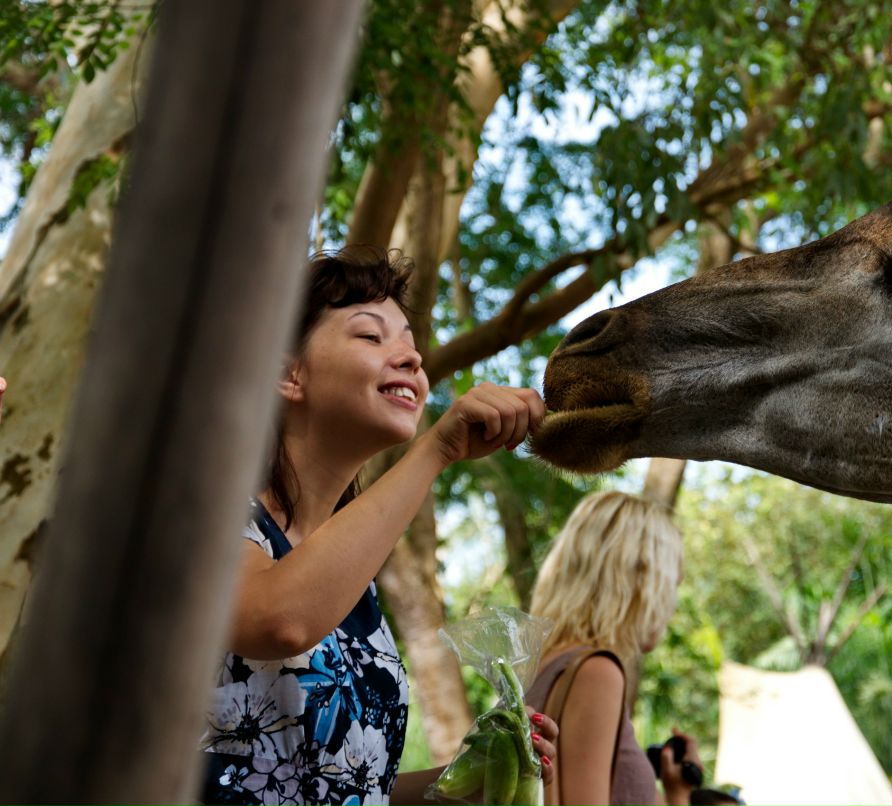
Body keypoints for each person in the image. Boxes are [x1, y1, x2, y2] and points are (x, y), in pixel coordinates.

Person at [198, 248, 557, 805]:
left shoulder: (354, 586)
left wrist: (468, 779)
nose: (411, 360)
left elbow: (359, 790)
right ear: (286, 373)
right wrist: (438, 448)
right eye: (372, 337)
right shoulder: (206, 511)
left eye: (411, 345)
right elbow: (279, 621)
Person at [525, 491, 703, 806]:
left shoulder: (536, 665)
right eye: (672, 584)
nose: (673, 605)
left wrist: (678, 795)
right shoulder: (596, 671)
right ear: (643, 579)